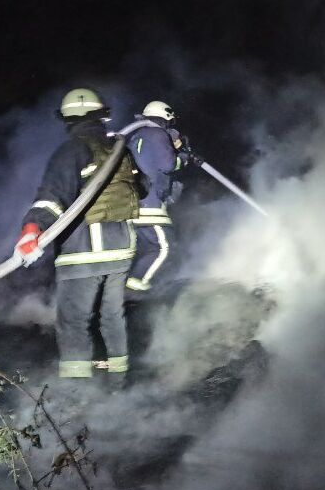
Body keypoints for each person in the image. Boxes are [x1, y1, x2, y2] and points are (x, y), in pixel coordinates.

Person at [14, 88, 140, 389]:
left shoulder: (70, 151)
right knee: (112, 316)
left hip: (83, 251)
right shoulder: (119, 150)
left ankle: (77, 393)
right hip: (120, 249)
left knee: (74, 320)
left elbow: (51, 197)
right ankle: (119, 383)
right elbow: (141, 188)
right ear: (101, 115)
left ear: (68, 119)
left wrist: (32, 230)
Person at [124, 100, 194, 294]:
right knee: (165, 248)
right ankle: (137, 286)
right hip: (150, 206)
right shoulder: (157, 134)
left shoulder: (136, 136)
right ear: (166, 117)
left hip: (134, 204)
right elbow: (168, 164)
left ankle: (134, 286)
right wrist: (184, 158)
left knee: (148, 249)